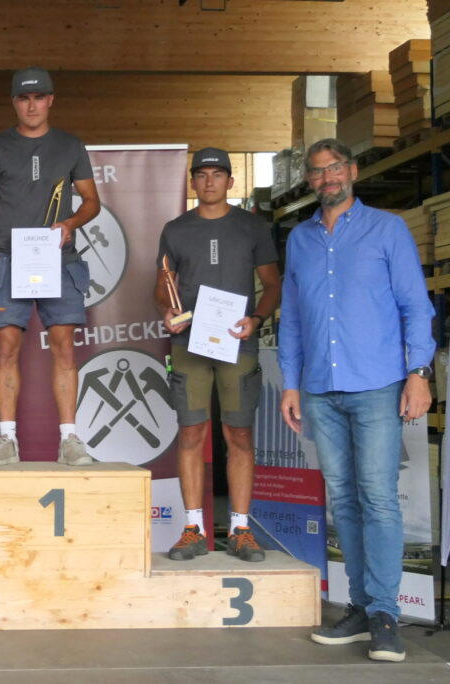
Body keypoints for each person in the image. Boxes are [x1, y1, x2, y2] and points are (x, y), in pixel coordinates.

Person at [279, 138, 435, 662]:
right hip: (321, 390)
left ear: (353, 170)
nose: (326, 179)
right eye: (317, 173)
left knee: (379, 498)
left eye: (334, 169)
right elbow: (294, 319)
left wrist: (418, 372)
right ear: (310, 181)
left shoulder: (387, 229)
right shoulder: (299, 240)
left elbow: (416, 305)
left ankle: (386, 614)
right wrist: (292, 383)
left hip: (376, 387)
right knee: (342, 500)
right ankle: (361, 606)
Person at [0, 67, 101, 466]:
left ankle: (70, 440)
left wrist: (70, 223)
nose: (32, 105)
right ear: (14, 103)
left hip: (59, 257)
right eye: (24, 98)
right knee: (7, 347)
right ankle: (7, 439)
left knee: (63, 347)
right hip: (7, 256)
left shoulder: (71, 145)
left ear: (50, 101)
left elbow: (91, 201)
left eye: (39, 97)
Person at [155, 148, 281, 563]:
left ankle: (241, 530)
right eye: (202, 175)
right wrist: (166, 311)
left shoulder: (252, 227)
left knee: (239, 434)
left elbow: (272, 284)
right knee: (191, 433)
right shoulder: (175, 229)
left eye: (218, 174)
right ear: (192, 182)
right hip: (189, 344)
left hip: (236, 341)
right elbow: (164, 284)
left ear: (231, 181)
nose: (209, 181)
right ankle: (193, 528)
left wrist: (257, 318)